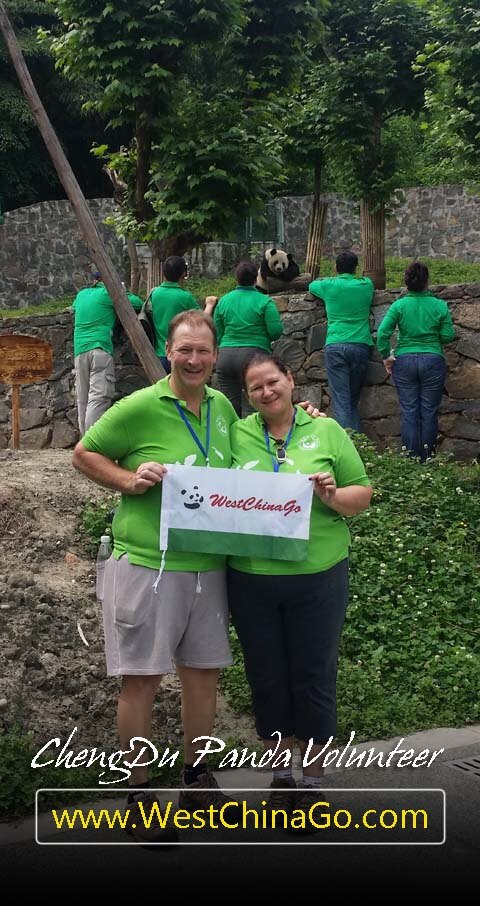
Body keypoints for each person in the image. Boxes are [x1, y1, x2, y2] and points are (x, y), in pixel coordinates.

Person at [72, 309, 238, 842]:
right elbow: (84, 453)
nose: (194, 359)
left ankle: (196, 780)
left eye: (203, 351)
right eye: (184, 349)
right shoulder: (140, 405)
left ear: (215, 355)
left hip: (207, 565)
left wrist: (302, 413)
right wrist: (129, 479)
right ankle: (140, 795)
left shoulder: (224, 407)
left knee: (203, 676)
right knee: (141, 679)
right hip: (147, 564)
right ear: (169, 350)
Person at [226, 351, 372, 831]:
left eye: (273, 382)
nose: (266, 392)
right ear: (246, 397)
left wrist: (331, 495)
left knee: (313, 674)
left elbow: (362, 496)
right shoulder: (235, 434)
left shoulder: (326, 431)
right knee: (266, 675)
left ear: (291, 380)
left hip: (319, 574)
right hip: (252, 577)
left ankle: (311, 780)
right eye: (255, 388)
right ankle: (280, 779)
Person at [377, 260, 455, 461]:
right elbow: (448, 335)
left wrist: (387, 356)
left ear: (406, 282)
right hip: (433, 359)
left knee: (409, 411)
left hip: (404, 361)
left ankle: (411, 459)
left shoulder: (399, 305)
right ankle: (428, 457)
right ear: (427, 281)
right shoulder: (439, 305)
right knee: (428, 412)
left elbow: (383, 334)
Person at [309, 250, 374, 432]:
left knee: (341, 401)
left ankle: (349, 447)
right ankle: (360, 448)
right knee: (352, 401)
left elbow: (312, 285)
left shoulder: (329, 285)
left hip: (336, 345)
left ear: (336, 268)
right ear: (356, 268)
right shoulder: (366, 284)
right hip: (361, 345)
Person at [73, 272, 143, 435]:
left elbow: (75, 308)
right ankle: (92, 442)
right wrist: (122, 290)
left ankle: (84, 440)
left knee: (82, 399)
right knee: (98, 398)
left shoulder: (82, 294)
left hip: (79, 351)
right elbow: (137, 303)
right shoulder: (109, 293)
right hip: (100, 349)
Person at [213, 260, 284, 416]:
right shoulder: (264, 301)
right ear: (256, 278)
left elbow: (216, 333)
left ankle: (230, 438)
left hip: (225, 357)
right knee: (254, 408)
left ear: (236, 278)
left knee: (229, 409)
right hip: (254, 357)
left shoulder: (224, 301)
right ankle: (253, 437)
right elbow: (275, 331)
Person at [149, 255, 217, 374]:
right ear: (183, 274)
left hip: (158, 355)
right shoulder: (185, 297)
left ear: (164, 273)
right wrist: (210, 305)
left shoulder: (154, 293)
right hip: (179, 355)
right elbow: (202, 321)